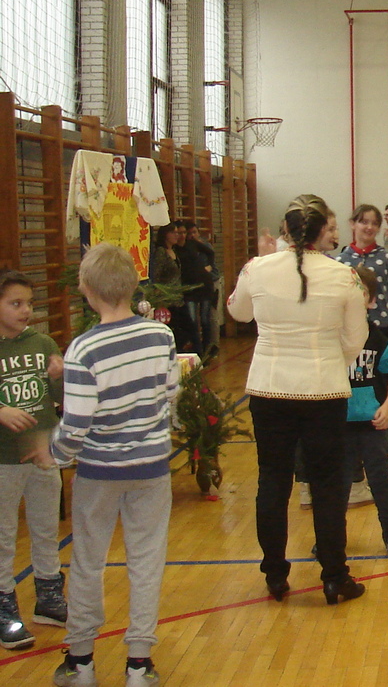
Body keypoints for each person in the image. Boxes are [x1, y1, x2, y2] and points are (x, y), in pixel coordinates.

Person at [33, 243, 177, 686]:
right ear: (132, 285)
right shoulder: (162, 336)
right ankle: (139, 665)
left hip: (98, 472)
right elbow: (169, 393)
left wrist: (54, 455)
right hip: (151, 468)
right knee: (146, 563)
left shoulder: (83, 349)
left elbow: (76, 424)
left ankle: (80, 662)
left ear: (88, 291)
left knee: (88, 562)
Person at [226, 194, 368, 606]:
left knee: (272, 479)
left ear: (285, 230)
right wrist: (330, 360)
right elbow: (355, 339)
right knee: (327, 484)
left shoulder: (257, 268)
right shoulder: (344, 276)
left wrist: (259, 261)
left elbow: (238, 313)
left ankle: (274, 574)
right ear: (323, 230)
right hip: (323, 390)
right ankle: (334, 577)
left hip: (269, 389)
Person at [0, 270, 66, 651]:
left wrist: (59, 376)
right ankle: (5, 608)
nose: (25, 310)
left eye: (28, 303)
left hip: (43, 455)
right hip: (4, 460)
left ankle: (49, 596)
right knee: (4, 534)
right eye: (15, 303)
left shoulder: (42, 343)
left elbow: (59, 397)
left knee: (45, 528)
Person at [336, 205, 388, 478]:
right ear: (353, 224)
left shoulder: (387, 258)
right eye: (363, 222)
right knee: (356, 398)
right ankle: (357, 462)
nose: (369, 227)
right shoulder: (341, 261)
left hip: (386, 336)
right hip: (352, 341)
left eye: (374, 223)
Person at [343, 267, 388, 558]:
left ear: (371, 301)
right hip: (338, 423)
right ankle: (331, 533)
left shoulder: (378, 339)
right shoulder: (331, 337)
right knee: (336, 482)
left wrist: (387, 406)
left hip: (372, 422)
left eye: (362, 292)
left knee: (380, 478)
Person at [150, 221, 194, 352]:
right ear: (165, 234)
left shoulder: (173, 251)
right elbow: (156, 276)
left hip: (178, 298)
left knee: (188, 328)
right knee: (176, 331)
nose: (177, 235)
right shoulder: (161, 252)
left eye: (177, 232)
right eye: (173, 232)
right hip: (167, 299)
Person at [178, 221, 218, 356]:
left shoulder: (193, 244)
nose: (183, 235)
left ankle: (207, 349)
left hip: (204, 285)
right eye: (181, 233)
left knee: (205, 319)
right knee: (192, 320)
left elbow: (210, 253)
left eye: (185, 233)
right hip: (189, 288)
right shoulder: (176, 248)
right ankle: (198, 351)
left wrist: (209, 266)